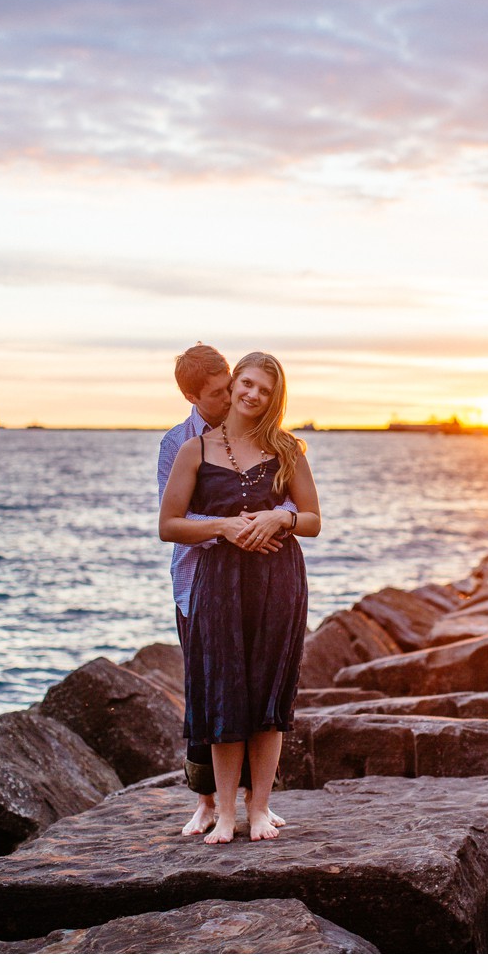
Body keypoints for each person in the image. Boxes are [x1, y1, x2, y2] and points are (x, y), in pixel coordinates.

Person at [159, 351, 320, 844]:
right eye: (245, 384)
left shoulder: (289, 449)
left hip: (279, 582)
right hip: (218, 583)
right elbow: (168, 525)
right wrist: (224, 527)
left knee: (270, 693)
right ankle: (222, 811)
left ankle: (261, 808)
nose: (250, 394)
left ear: (275, 398)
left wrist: (281, 518)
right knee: (223, 692)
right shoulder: (189, 448)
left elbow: (313, 520)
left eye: (262, 389)